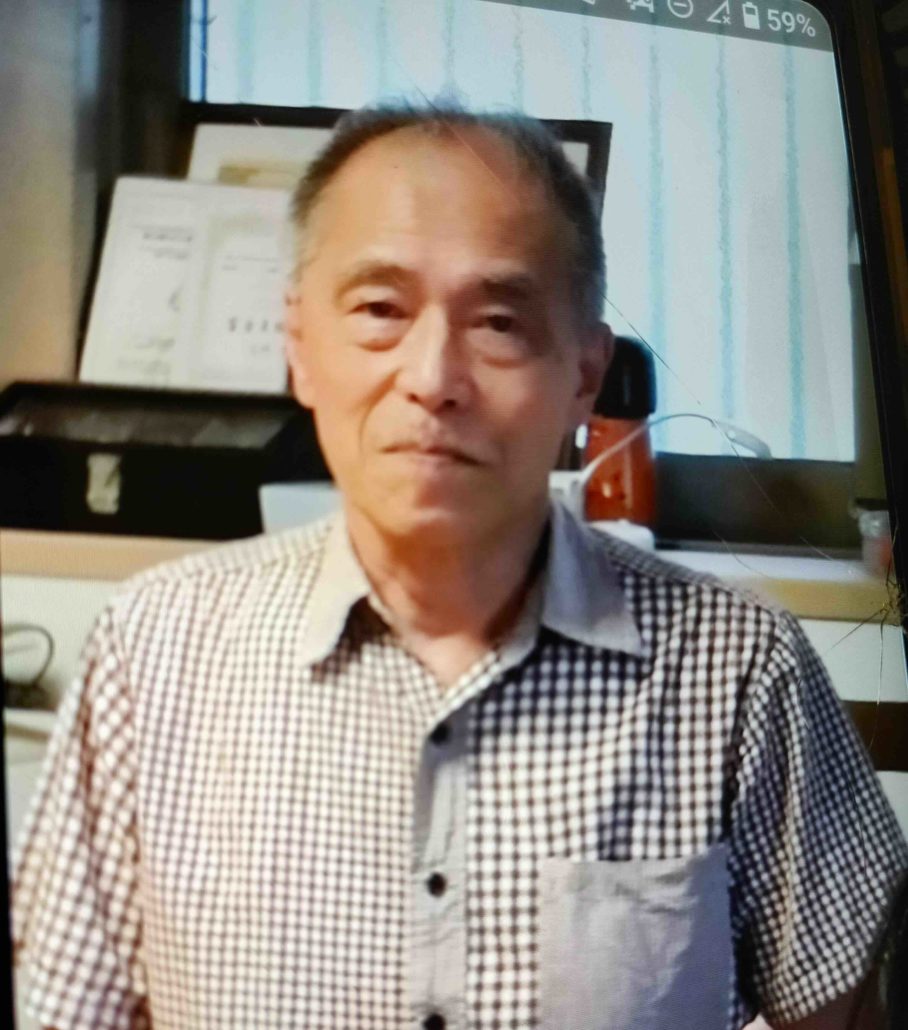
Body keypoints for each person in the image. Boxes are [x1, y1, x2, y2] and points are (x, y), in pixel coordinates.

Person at [10, 103, 908, 1030]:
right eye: (379, 311)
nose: (434, 377)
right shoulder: (153, 651)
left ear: (583, 375)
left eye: (500, 323)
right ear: (299, 348)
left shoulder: (740, 670)